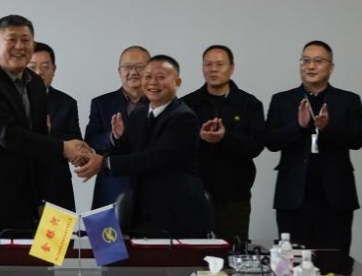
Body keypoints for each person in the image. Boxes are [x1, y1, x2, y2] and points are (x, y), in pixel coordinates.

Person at [0, 15, 91, 238]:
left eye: (25, 40)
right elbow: (8, 135)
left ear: (33, 43)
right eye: (11, 39)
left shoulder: (35, 83)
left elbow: (38, 141)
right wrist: (63, 147)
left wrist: (74, 155)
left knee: (25, 261)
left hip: (21, 201)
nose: (19, 46)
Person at [76, 55, 213, 237]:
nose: (152, 82)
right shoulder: (139, 115)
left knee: (169, 257)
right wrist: (118, 139)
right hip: (141, 211)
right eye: (148, 76)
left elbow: (154, 158)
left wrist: (103, 162)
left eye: (161, 77)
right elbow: (130, 153)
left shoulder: (183, 117)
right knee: (126, 255)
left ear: (177, 83)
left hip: (176, 214)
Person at [265, 41, 362, 255]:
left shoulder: (348, 100)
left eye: (318, 61)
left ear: (331, 67)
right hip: (293, 196)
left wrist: (329, 127)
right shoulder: (282, 100)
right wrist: (298, 126)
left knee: (335, 262)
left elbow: (358, 139)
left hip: (336, 196)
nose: (310, 66)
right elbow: (271, 142)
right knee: (293, 261)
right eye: (305, 61)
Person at [182, 44, 266, 244]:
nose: (213, 69)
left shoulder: (249, 104)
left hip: (235, 197)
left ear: (232, 68)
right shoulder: (187, 104)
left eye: (219, 64)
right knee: (194, 254)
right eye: (208, 64)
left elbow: (256, 146)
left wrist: (225, 138)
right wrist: (199, 137)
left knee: (232, 252)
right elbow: (176, 147)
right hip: (195, 195)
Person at [83, 45, 151, 209]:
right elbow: (91, 141)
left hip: (153, 190)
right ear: (119, 71)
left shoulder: (164, 104)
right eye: (127, 67)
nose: (133, 72)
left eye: (139, 67)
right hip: (111, 191)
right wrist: (113, 137)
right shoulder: (101, 103)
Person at [28, 41, 82, 211]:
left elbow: (76, 143)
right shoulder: (9, 101)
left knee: (59, 230)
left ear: (54, 69)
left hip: (56, 187)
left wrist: (50, 138)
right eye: (32, 67)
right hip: (20, 186)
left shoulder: (67, 103)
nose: (39, 72)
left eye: (45, 66)